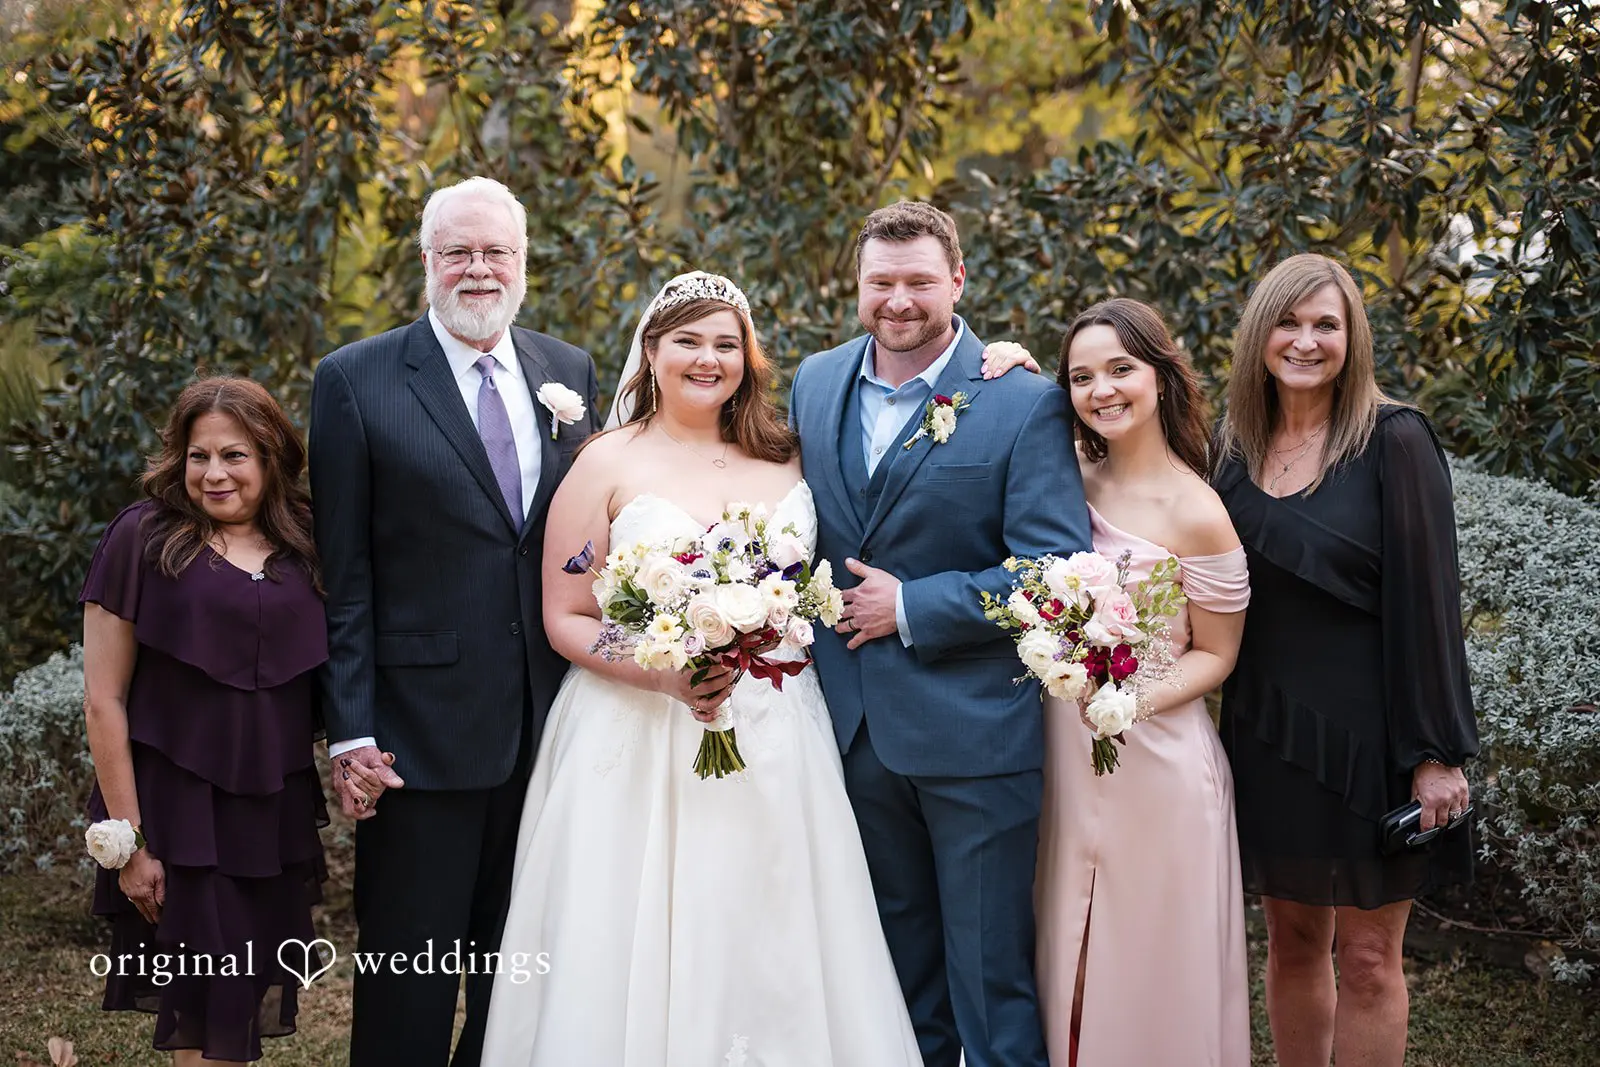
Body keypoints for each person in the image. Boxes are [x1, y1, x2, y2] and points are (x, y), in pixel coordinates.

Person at [479, 271, 923, 1064]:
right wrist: (666, 674)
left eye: (726, 343)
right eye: (688, 340)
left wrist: (1000, 358)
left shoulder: (788, 453)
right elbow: (566, 614)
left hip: (779, 727)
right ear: (651, 352)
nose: (707, 359)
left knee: (772, 918)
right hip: (638, 731)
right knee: (630, 925)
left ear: (748, 359)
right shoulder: (603, 461)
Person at [788, 201, 1091, 1067]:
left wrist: (914, 606)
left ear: (957, 280)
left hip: (974, 739)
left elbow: (1052, 569)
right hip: (850, 731)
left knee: (991, 984)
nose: (899, 299)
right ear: (857, 285)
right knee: (892, 983)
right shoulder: (815, 381)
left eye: (919, 281)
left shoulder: (1023, 400)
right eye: (881, 282)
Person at [308, 175, 602, 1067]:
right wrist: (350, 729)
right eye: (459, 252)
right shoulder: (356, 380)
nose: (479, 269)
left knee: (522, 982)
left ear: (523, 261)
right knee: (409, 981)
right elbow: (345, 578)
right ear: (426, 261)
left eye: (496, 252)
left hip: (551, 729)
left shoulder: (570, 372)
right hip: (415, 741)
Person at [1212, 253, 1478, 1067]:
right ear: (1261, 334)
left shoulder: (1394, 439)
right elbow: (1113, 432)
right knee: (1291, 943)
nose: (1305, 340)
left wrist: (1435, 755)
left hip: (1372, 742)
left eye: (1326, 324)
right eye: (1288, 323)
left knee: (1367, 959)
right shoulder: (1229, 445)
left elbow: (1431, 605)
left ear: (1351, 336)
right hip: (1266, 734)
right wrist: (1015, 369)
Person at [80, 377, 328, 1065]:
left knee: (241, 1000)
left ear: (272, 456)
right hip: (175, 811)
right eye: (199, 455)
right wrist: (128, 841)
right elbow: (104, 698)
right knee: (205, 1006)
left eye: (235, 455)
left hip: (272, 808)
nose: (214, 473)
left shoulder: (307, 538)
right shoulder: (141, 538)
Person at [1034, 299, 1251, 1066]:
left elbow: (1217, 653)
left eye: (1121, 369)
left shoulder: (1199, 510)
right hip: (1063, 756)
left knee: (1147, 963)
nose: (1103, 390)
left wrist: (1131, 700)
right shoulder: (1062, 476)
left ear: (1160, 375)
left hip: (1156, 761)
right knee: (1067, 947)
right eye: (1082, 376)